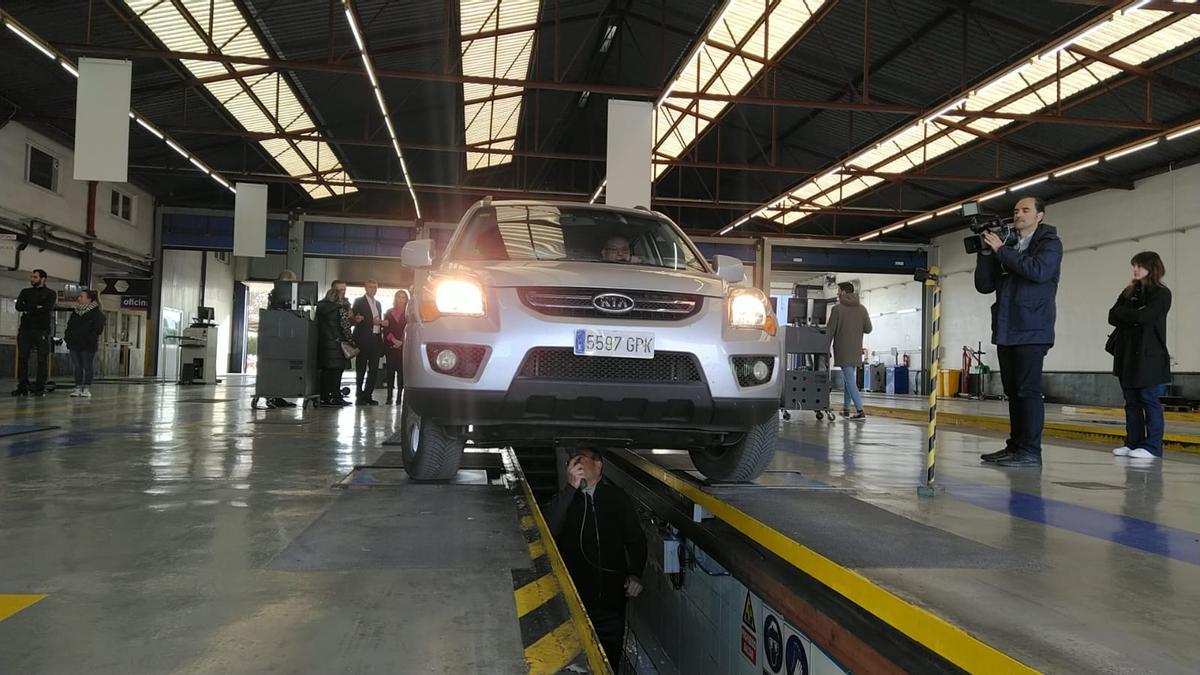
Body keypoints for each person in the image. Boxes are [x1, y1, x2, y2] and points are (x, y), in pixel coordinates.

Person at [974, 196, 1063, 468]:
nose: (1018, 214)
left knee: (1028, 391)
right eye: (1015, 210)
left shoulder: (1049, 244)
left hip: (1033, 328)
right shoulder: (1008, 244)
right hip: (1006, 327)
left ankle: (1031, 451)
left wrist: (1002, 250)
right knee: (1013, 392)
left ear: (1040, 216)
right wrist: (987, 252)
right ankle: (1015, 447)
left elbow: (1037, 271)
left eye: (1026, 210)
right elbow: (984, 285)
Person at [543, 448, 647, 667]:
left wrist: (636, 574)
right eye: (571, 461)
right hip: (574, 605)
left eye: (580, 459)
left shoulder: (616, 498)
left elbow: (636, 540)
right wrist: (570, 489)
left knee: (609, 663)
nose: (574, 464)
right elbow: (547, 531)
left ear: (598, 465)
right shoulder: (565, 500)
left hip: (612, 605)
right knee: (576, 665)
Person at [1108, 251, 1172, 460]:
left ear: (1152, 268)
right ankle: (1132, 442)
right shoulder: (1129, 291)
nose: (1135, 269)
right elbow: (1112, 315)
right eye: (1134, 265)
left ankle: (1152, 446)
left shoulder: (1162, 293)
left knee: (1148, 399)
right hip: (1127, 356)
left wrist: (1128, 316)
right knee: (1131, 401)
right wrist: (1133, 316)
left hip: (1148, 357)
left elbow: (1145, 317)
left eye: (1140, 266)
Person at [826, 281, 872, 421]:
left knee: (850, 380)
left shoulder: (837, 309)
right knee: (849, 379)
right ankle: (846, 409)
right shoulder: (862, 309)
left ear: (844, 292)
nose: (837, 293)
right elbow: (868, 329)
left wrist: (825, 348)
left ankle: (860, 410)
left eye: (839, 290)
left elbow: (830, 332)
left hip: (843, 350)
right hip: (856, 350)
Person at [13, 269, 59, 397]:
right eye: (32, 277)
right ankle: (22, 386)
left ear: (43, 279)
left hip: (41, 330)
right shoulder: (25, 292)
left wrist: (29, 307)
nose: (32, 279)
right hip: (25, 330)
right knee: (22, 358)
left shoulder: (50, 293)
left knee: (42, 359)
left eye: (35, 277)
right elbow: (18, 307)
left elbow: (46, 309)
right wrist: (35, 306)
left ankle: (39, 388)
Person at [315, 280, 354, 407]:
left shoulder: (320, 308)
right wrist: (350, 341)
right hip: (337, 346)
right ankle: (336, 397)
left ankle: (324, 398)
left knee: (326, 373)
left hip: (324, 346)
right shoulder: (340, 309)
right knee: (337, 373)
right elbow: (345, 327)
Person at [63, 289, 106, 398]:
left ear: (89, 299)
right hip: (74, 344)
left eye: (81, 296)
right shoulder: (76, 312)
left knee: (87, 366)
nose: (79, 298)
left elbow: (98, 329)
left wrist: (88, 336)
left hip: (88, 344)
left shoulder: (96, 313)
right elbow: (69, 326)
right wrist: (68, 338)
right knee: (77, 366)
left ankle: (86, 388)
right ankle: (77, 387)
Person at [352, 280, 385, 406]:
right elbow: (356, 319)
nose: (373, 290)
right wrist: (372, 322)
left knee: (374, 369)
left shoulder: (378, 303)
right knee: (361, 367)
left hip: (375, 338)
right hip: (363, 338)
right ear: (365, 288)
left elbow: (377, 321)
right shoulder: (359, 301)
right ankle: (359, 394)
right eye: (371, 287)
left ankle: (368, 394)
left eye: (375, 287)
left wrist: (380, 324)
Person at [382, 290, 408, 405]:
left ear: (406, 299)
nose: (401, 299)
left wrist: (401, 342)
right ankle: (389, 397)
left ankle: (399, 398)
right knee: (390, 371)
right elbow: (386, 329)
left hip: (404, 346)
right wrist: (394, 340)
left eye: (403, 297)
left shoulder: (408, 313)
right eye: (399, 297)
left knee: (401, 373)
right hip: (391, 346)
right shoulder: (389, 312)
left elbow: (408, 329)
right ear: (395, 298)